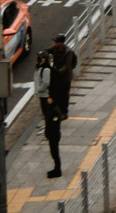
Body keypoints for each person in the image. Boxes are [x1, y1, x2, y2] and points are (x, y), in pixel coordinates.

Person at [36, 33, 77, 176]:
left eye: (57, 42)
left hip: (64, 78)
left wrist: (54, 73)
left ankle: (65, 111)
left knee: (64, 96)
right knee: (59, 98)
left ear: (62, 42)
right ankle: (56, 168)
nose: (55, 44)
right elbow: (48, 51)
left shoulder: (68, 52)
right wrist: (44, 54)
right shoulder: (55, 49)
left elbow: (67, 67)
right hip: (58, 79)